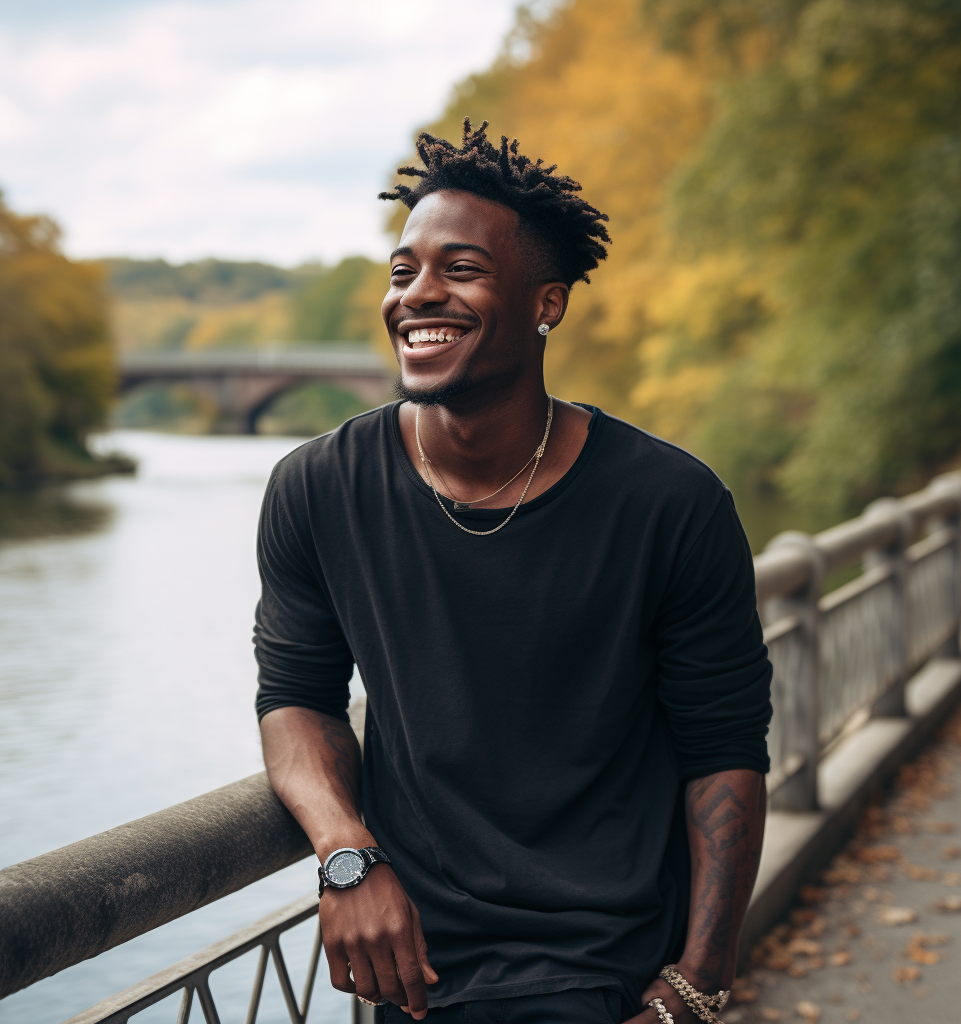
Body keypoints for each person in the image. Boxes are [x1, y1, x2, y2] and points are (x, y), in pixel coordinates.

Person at [254, 120, 772, 1024]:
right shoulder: (318, 487)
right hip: (411, 968)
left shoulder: (672, 504)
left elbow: (723, 747)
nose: (418, 295)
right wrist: (347, 856)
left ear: (546, 304)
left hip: (602, 970)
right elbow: (296, 694)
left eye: (461, 269)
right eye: (403, 269)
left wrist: (697, 981)